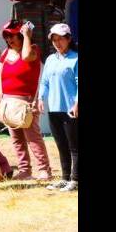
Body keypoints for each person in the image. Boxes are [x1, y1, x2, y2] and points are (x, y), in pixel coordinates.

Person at [0, 20, 53, 181]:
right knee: (16, 139)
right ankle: (25, 170)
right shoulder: (5, 53)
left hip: (26, 103)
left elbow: (26, 56)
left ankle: (44, 169)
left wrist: (27, 36)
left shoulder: (33, 50)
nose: (9, 40)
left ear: (21, 35)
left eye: (12, 36)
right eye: (6, 36)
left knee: (33, 138)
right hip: (8, 102)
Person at [39, 23, 78, 192]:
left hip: (71, 109)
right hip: (54, 108)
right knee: (61, 144)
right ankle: (64, 178)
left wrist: (77, 103)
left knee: (74, 146)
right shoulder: (50, 59)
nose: (57, 42)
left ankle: (75, 180)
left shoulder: (76, 58)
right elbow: (45, 82)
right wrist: (41, 98)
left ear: (69, 39)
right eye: (54, 40)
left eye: (60, 39)